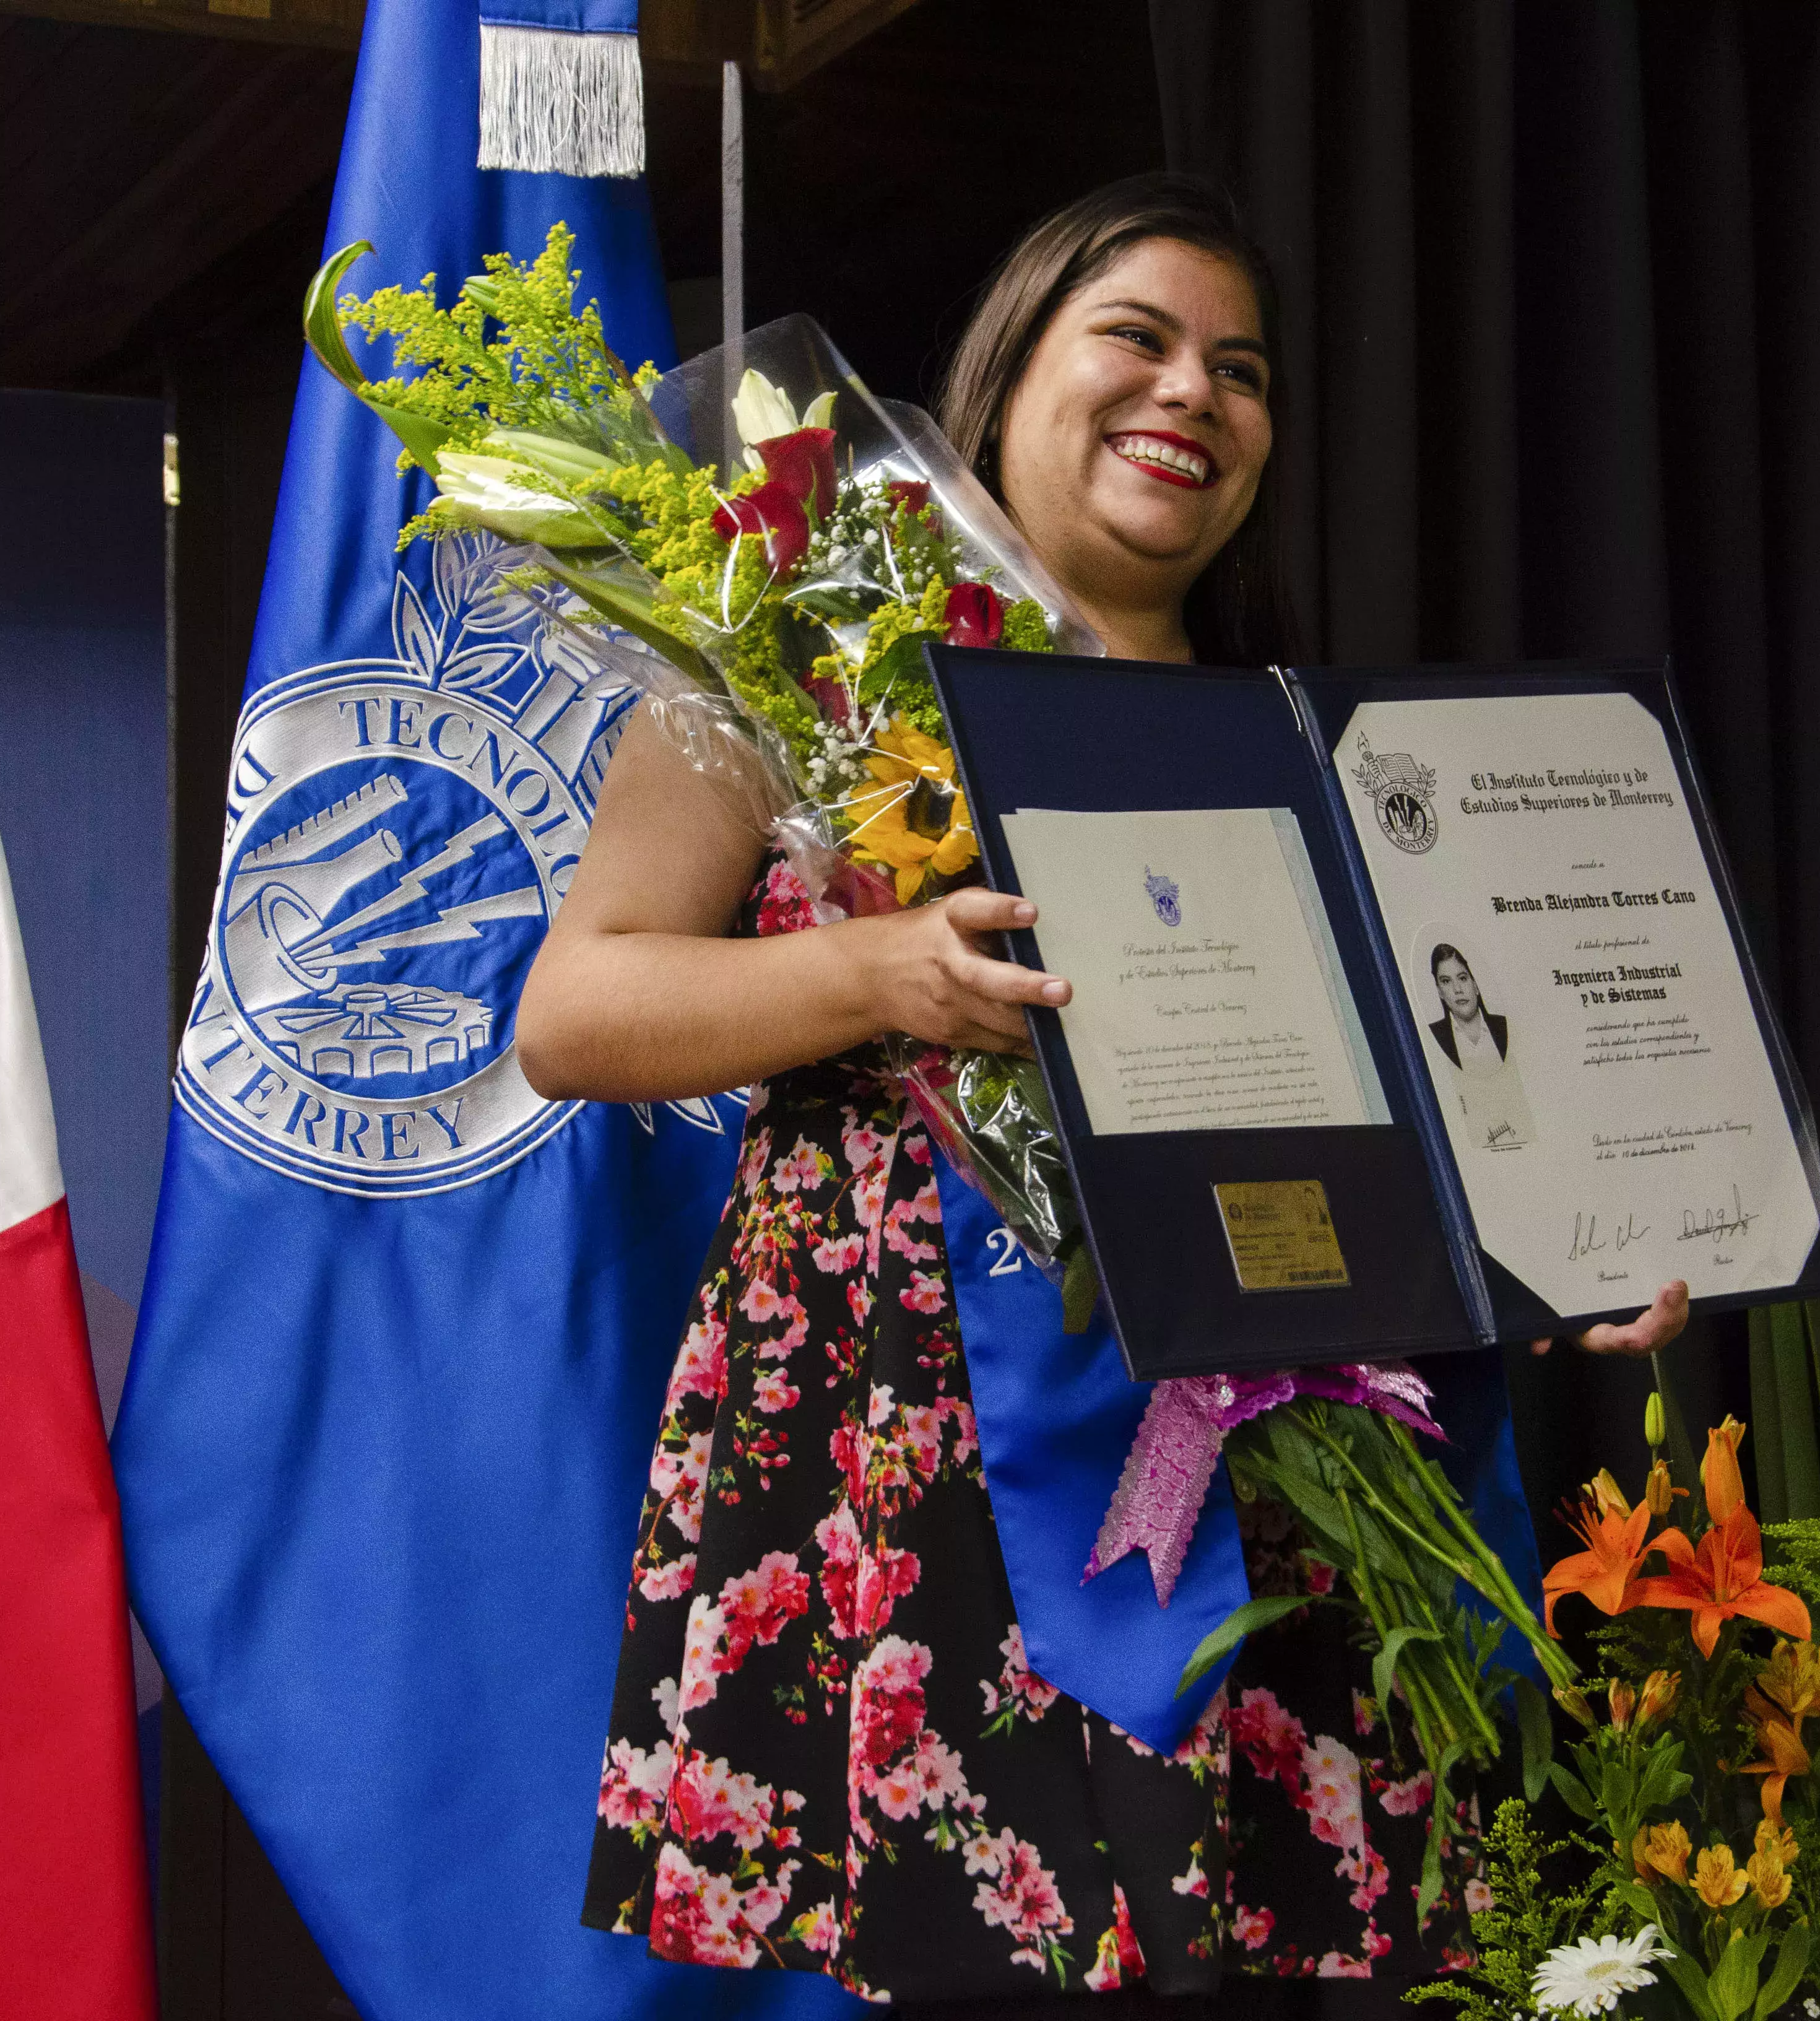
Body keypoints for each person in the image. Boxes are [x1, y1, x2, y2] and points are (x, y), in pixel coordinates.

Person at [521, 173, 1688, 2002]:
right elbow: (573, 1013)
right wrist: (874, 969)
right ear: (1001, 377)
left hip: (1284, 1465)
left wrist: (1566, 1246)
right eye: (1134, 338)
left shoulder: (1312, 742)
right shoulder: (807, 657)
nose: (1193, 392)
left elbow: (1411, 1120)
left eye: (1239, 368)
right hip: (932, 1436)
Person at [1424, 943, 1535, 1150]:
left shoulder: (1505, 1027)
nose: (1458, 989)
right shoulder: (1433, 1037)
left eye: (1463, 978)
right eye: (1446, 982)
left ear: (1475, 985)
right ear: (1439, 992)